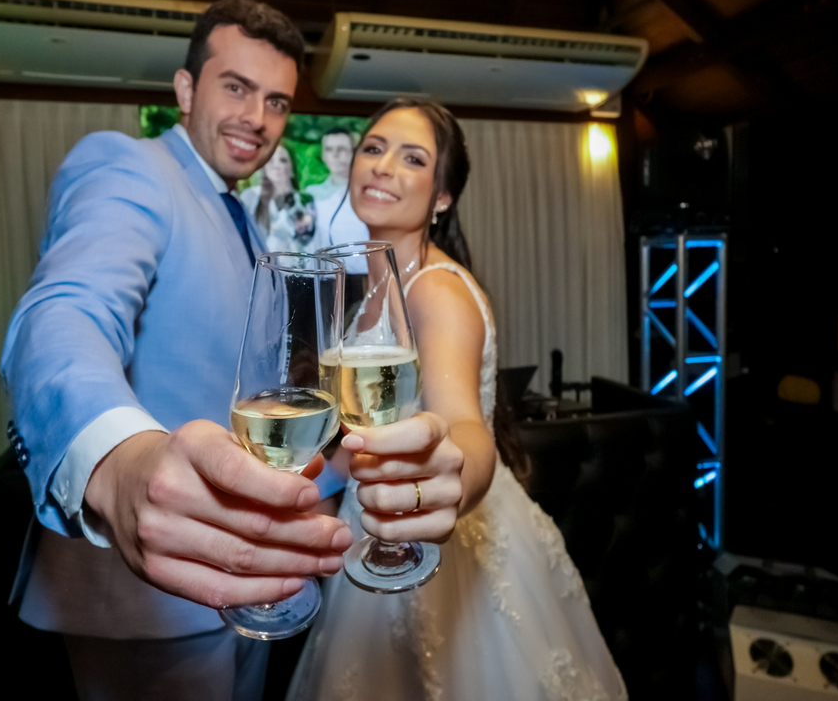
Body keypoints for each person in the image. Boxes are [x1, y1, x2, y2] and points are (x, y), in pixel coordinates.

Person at [0, 0, 357, 701]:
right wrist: (116, 462)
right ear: (186, 89)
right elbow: (65, 313)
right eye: (236, 88)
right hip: (144, 600)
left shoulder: (240, 216)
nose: (257, 118)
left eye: (277, 102)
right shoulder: (128, 166)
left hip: (243, 577)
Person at [288, 99, 628, 701]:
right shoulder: (372, 293)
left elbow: (466, 429)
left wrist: (445, 492)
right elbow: (359, 444)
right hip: (374, 524)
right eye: (374, 148)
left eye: (412, 158)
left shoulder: (435, 292)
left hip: (441, 542)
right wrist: (300, 484)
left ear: (442, 196)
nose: (383, 166)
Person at [239, 144, 317, 251]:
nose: (276, 166)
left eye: (282, 160)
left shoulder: (306, 201)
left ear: (292, 168)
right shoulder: (251, 196)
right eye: (270, 161)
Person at [309, 127, 370, 251]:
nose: (335, 155)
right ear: (323, 155)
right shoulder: (312, 194)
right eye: (329, 149)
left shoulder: (368, 192)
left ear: (353, 153)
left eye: (341, 149)